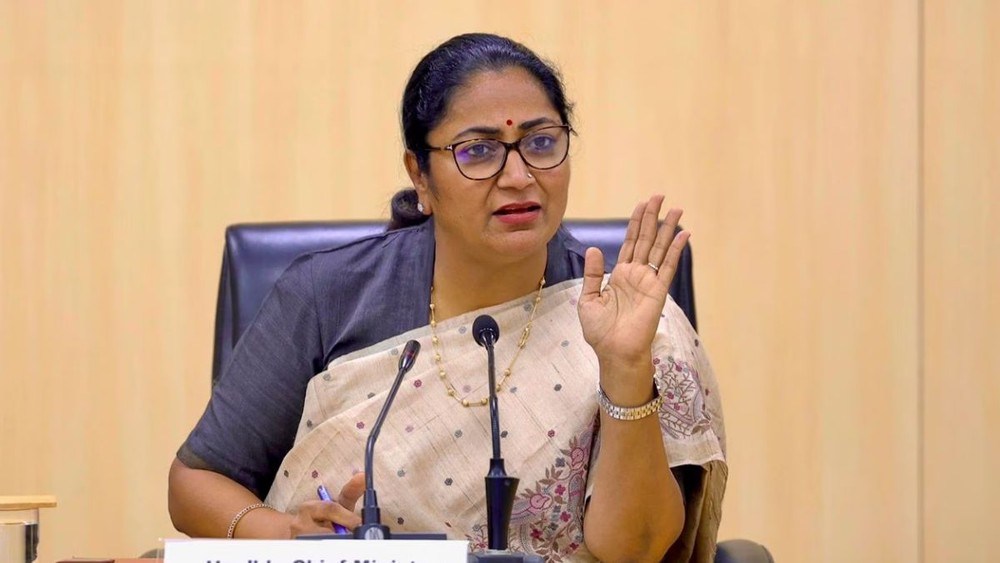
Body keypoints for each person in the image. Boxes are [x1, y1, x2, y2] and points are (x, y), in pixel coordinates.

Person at [168, 33, 726, 562]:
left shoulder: (626, 315)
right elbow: (195, 481)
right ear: (420, 175)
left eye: (541, 143)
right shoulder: (326, 296)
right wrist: (283, 534)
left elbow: (636, 551)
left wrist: (625, 367)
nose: (519, 175)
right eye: (478, 151)